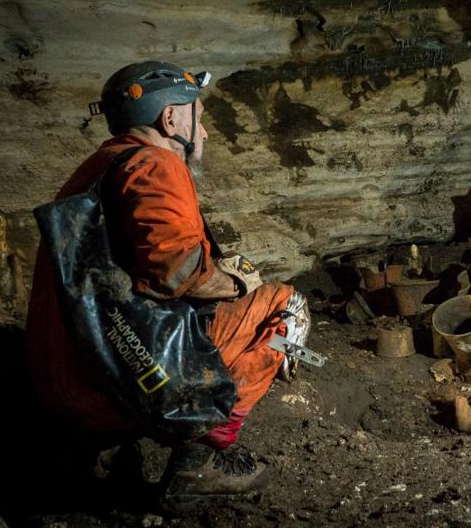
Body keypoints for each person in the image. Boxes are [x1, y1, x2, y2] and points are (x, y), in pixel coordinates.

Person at [26, 61, 311, 496]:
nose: (205, 132)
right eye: (199, 116)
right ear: (171, 117)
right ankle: (203, 456)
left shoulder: (97, 167)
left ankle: (104, 447)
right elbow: (176, 273)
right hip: (111, 387)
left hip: (62, 385)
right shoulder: (155, 165)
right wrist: (237, 284)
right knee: (284, 307)